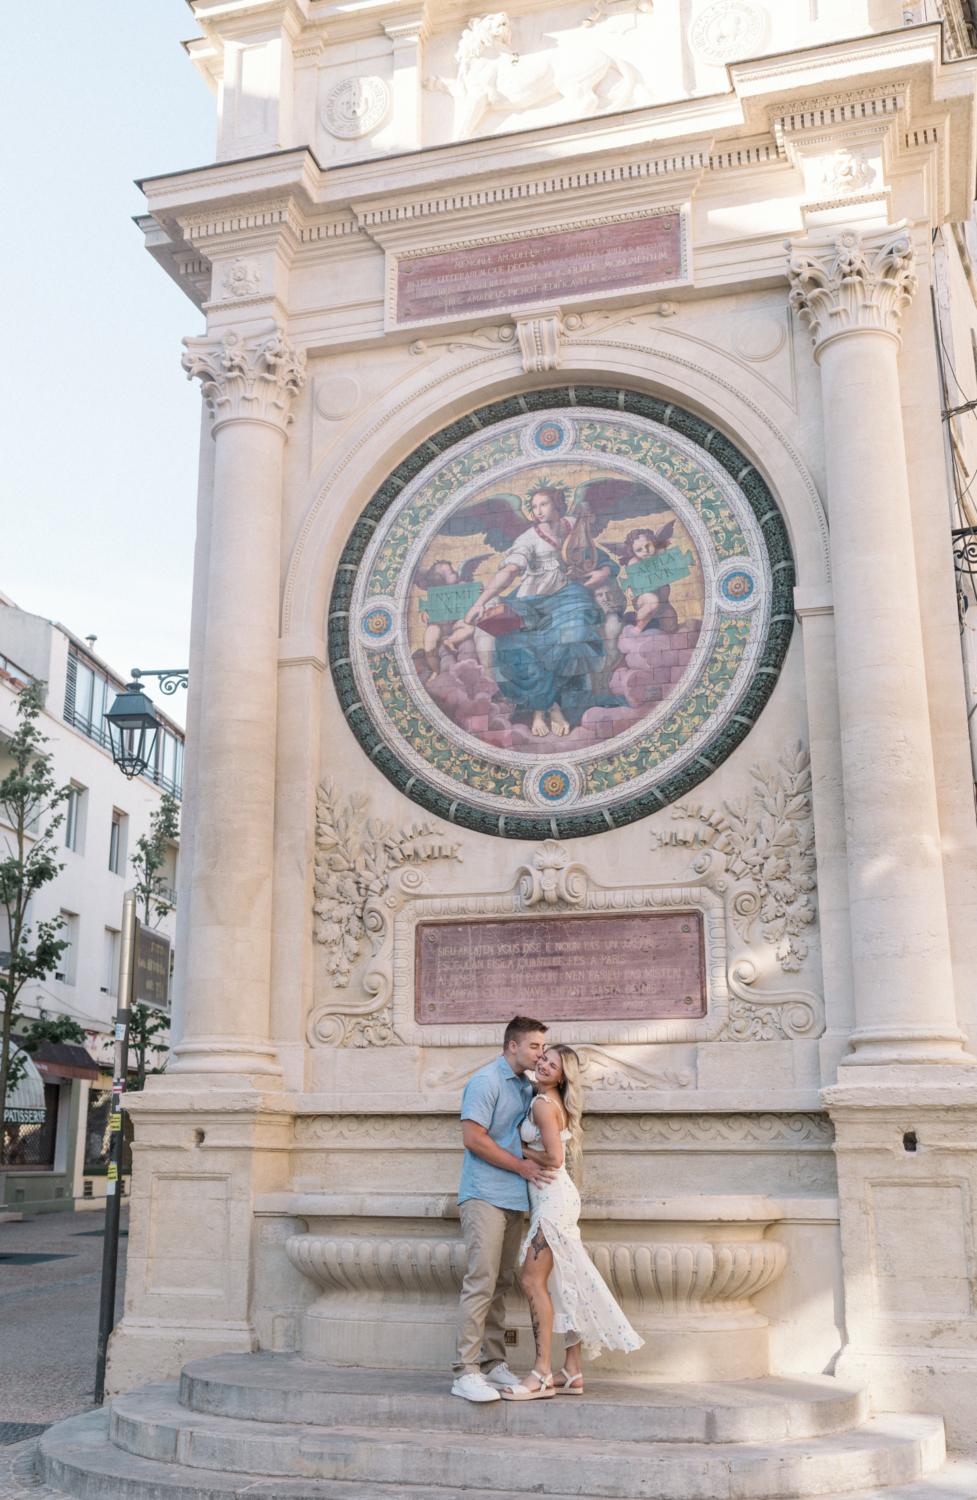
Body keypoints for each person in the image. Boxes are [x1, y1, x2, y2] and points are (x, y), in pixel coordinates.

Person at [500, 1043, 644, 1400]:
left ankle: (540, 1374)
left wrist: (517, 1152)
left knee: (533, 1281)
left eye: (553, 1064)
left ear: (563, 1075)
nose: (545, 1066)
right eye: (543, 1059)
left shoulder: (542, 1105)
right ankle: (572, 1371)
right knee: (564, 1285)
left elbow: (554, 1157)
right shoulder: (547, 1101)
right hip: (556, 1200)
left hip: (552, 1203)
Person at [464, 487, 626, 739]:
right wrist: (480, 602)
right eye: (534, 506)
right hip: (528, 599)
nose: (538, 511)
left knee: (571, 637)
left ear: (558, 504)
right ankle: (548, 706)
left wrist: (603, 573)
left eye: (544, 504)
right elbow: (510, 571)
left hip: (569, 596)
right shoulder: (528, 538)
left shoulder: (574, 524)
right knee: (510, 642)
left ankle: (544, 702)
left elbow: (594, 555)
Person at [452, 1015, 555, 1403]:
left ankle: (493, 1364)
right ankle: (465, 1371)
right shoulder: (486, 1081)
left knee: (500, 1284)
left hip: (515, 1197)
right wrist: (522, 1165)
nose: (540, 1053)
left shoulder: (528, 1087)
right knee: (481, 1281)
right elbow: (473, 1138)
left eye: (543, 1047)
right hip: (483, 1195)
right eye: (534, 1046)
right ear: (512, 1045)